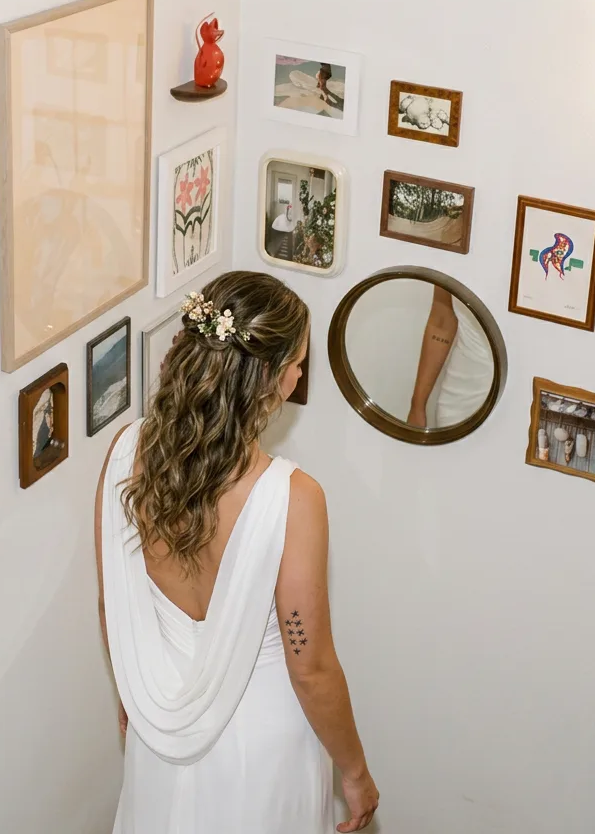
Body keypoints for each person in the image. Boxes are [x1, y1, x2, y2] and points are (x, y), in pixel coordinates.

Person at [95, 270, 379, 833]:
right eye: (298, 362)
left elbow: (115, 602)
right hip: (262, 742)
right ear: (268, 379)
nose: (301, 375)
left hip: (160, 715)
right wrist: (356, 773)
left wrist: (134, 695)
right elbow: (313, 670)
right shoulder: (293, 498)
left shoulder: (125, 453)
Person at [406, 285, 494, 428]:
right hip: (458, 401)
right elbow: (442, 321)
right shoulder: (454, 261)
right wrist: (417, 406)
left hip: (519, 399)